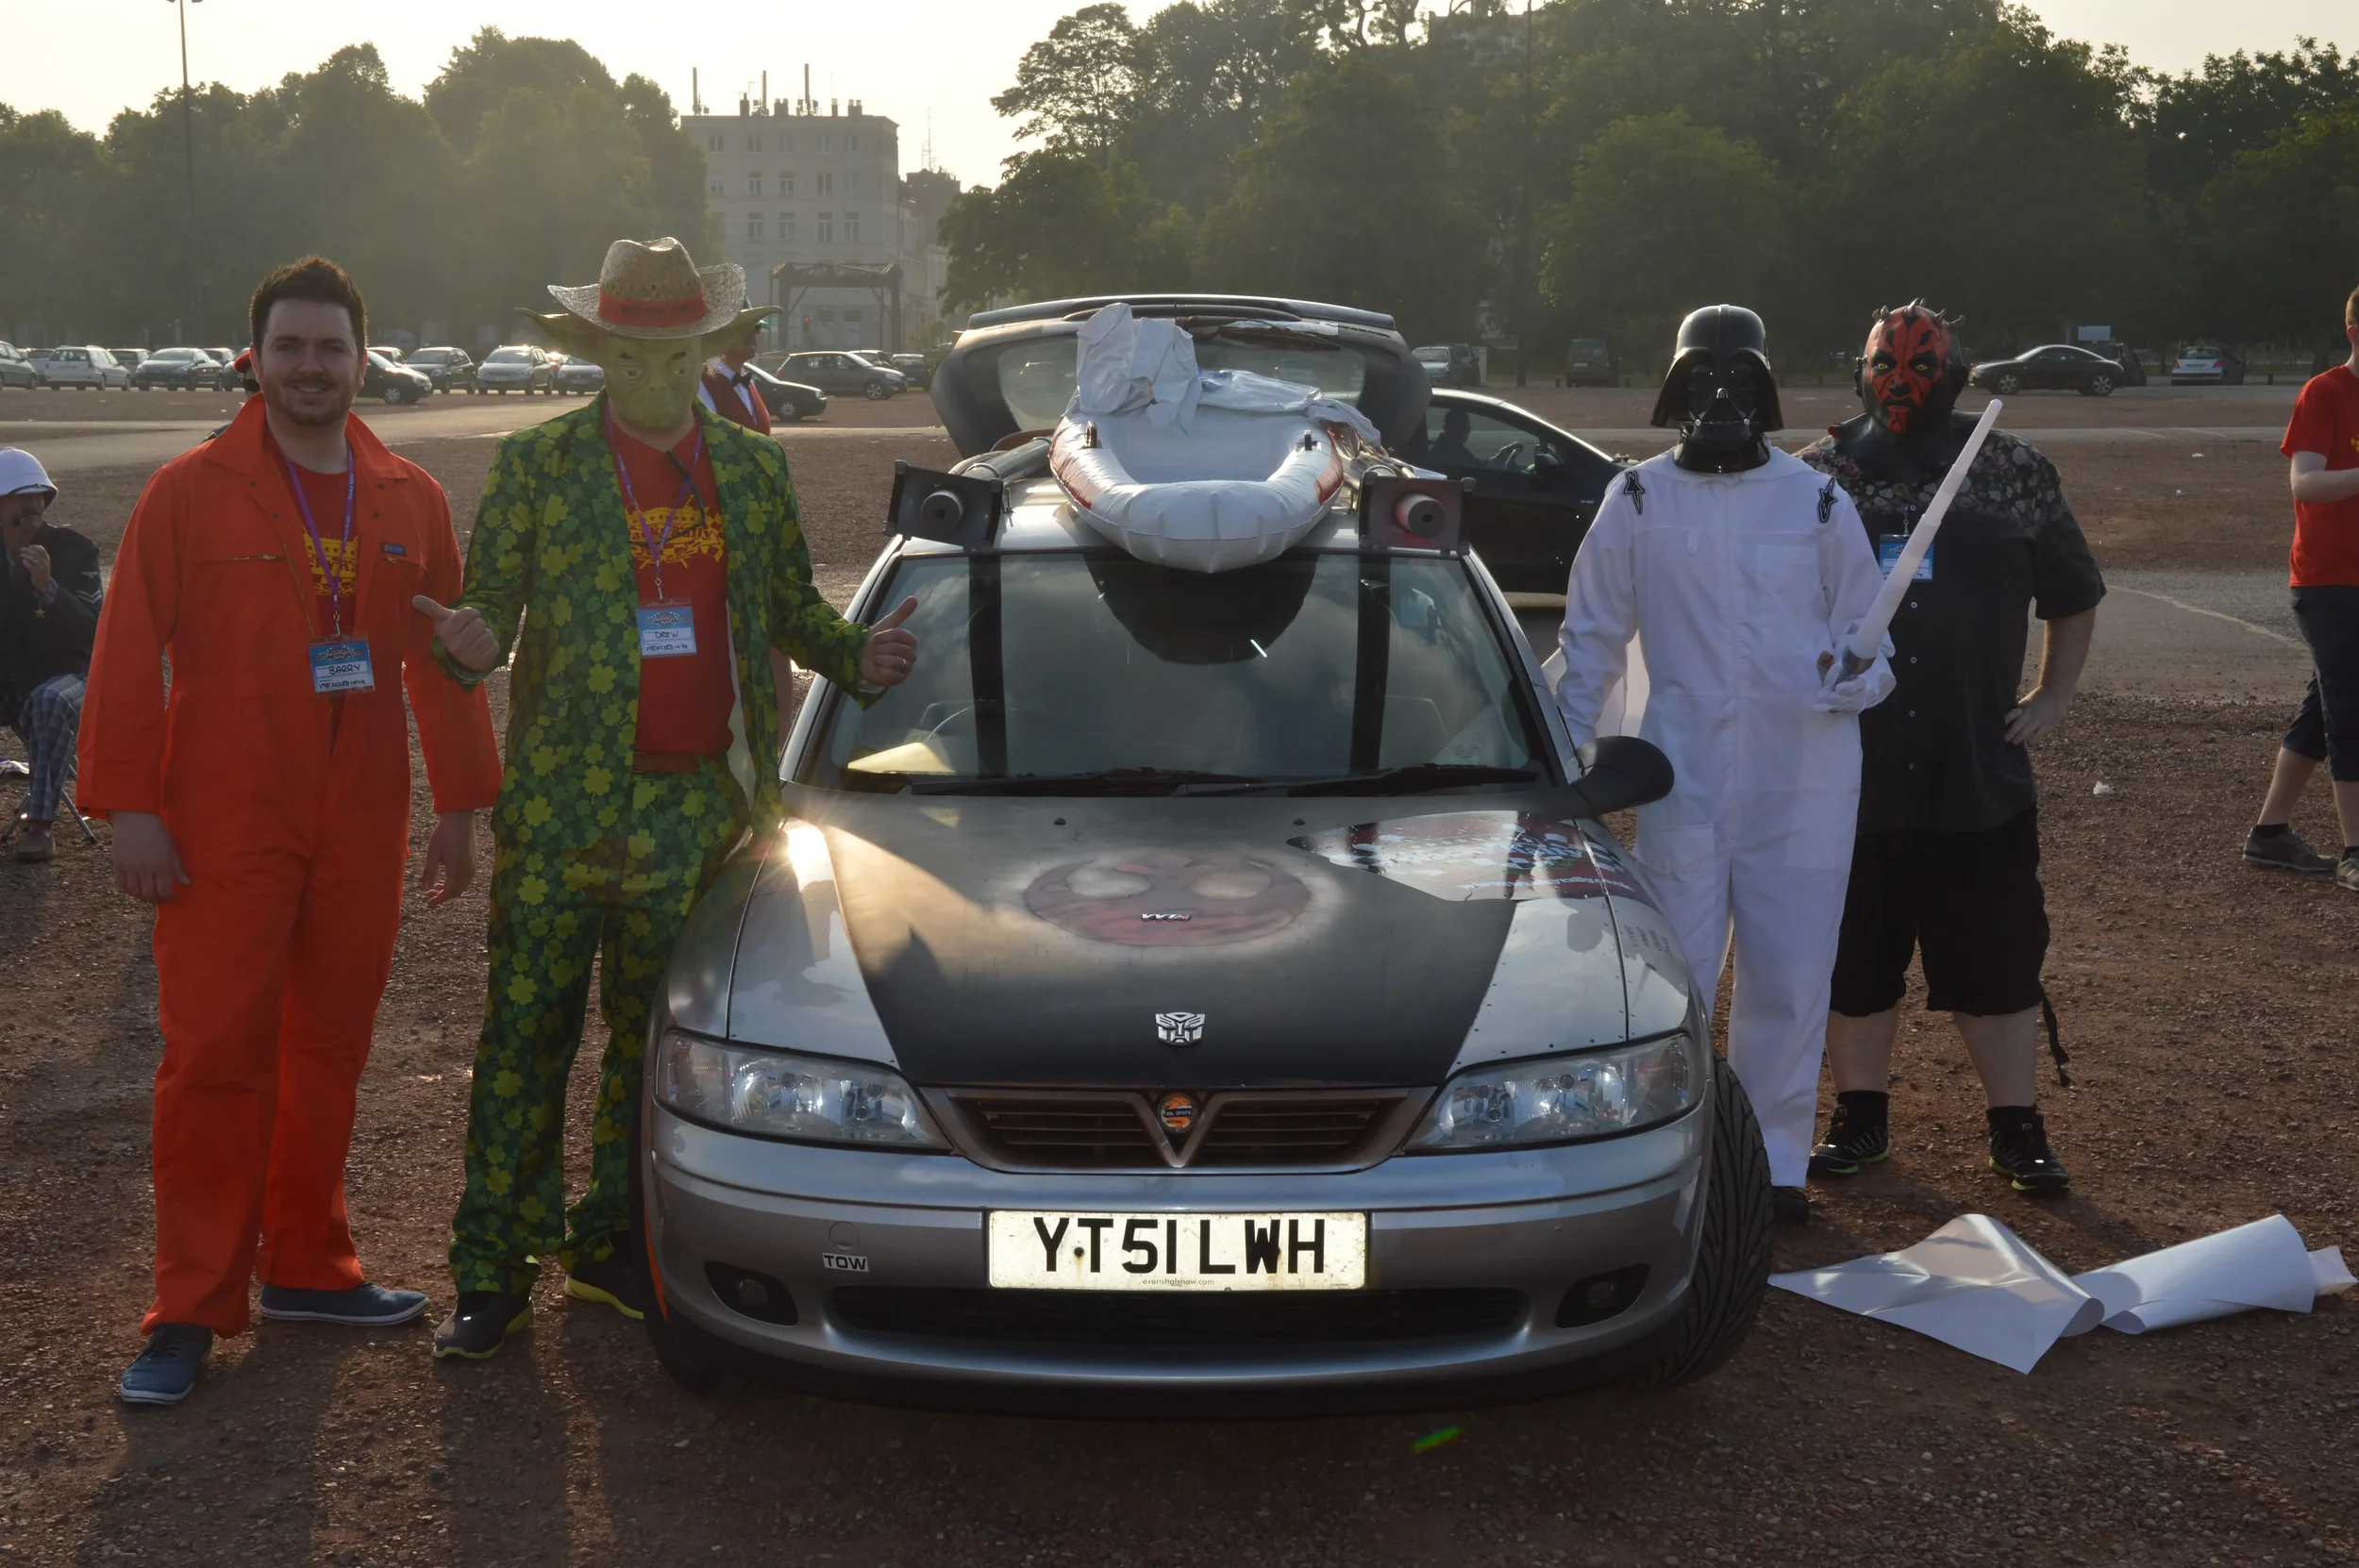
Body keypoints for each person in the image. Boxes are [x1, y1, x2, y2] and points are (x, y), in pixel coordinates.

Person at [424, 237, 919, 1360]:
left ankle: (611, 1242)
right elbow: (487, 609)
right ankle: (492, 1267)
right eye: (629, 356)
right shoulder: (538, 465)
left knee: (647, 1045)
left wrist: (856, 655)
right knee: (524, 1036)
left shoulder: (750, 469)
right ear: (594, 352)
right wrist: (465, 645)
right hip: (560, 808)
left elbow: (788, 604)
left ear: (707, 353)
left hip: (696, 808)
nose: (652, 376)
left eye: (674, 356)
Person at [76, 256, 501, 1406]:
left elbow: (443, 658)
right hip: (224, 814)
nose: (311, 367)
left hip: (361, 812)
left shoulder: (410, 496)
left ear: (364, 360)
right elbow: (126, 653)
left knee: (328, 1048)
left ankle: (309, 1266)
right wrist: (132, 809)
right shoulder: (190, 490)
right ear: (254, 358)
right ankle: (189, 1305)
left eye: (331, 348)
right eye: (291, 348)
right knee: (214, 1056)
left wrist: (460, 807)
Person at [1555, 304, 1893, 1226]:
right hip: (1684, 773)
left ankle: (1774, 1163)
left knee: (1791, 971)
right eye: (1700, 378)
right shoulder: (1637, 500)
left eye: (1738, 379)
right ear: (1673, 387)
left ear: (1766, 389)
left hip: (1806, 774)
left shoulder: (1815, 501)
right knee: (1677, 973)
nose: (1718, 398)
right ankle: (1679, 1155)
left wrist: (1855, 678)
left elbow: (1873, 640)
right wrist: (1563, 762)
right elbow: (1590, 642)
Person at [1797, 301, 2103, 1195]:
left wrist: (2053, 695)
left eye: (1921, 368)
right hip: (1849, 775)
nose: (1900, 384)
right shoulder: (1816, 478)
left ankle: (2018, 1128)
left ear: (1957, 375)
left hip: (1977, 775)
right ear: (1860, 372)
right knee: (1854, 961)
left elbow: (2073, 593)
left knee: (1997, 961)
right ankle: (1859, 1117)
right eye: (1885, 367)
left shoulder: (2012, 471)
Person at [2244, 283, 2359, 884]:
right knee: (2351, 710)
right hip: (2328, 581)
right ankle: (2356, 851)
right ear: (2355, 333)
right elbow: (2305, 483)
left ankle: (2269, 834)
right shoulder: (2325, 392)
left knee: (2324, 709)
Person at [0, 448, 102, 862]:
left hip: (69, 673)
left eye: (38, 497)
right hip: (11, 675)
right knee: (39, 700)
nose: (32, 508)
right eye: (20, 500)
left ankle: (41, 825)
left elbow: (95, 631)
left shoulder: (76, 551)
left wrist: (48, 587)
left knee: (49, 701)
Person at [698, 322, 772, 435]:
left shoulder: (748, 383)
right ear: (719, 334)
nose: (753, 336)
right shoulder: (700, 385)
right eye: (744, 329)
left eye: (756, 329)